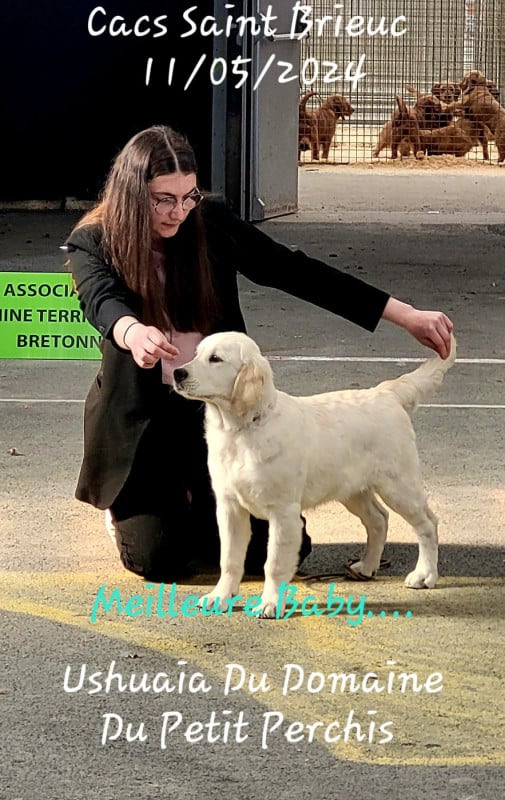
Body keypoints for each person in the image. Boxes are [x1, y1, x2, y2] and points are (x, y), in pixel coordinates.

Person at [64, 124, 453, 583]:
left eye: (188, 197)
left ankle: (191, 503)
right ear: (132, 194)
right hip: (143, 419)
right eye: (163, 200)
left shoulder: (210, 223)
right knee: (159, 560)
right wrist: (132, 333)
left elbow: (293, 270)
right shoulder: (94, 240)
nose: (178, 211)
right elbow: (100, 299)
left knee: (275, 552)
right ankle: (133, 509)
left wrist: (405, 314)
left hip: (219, 410)